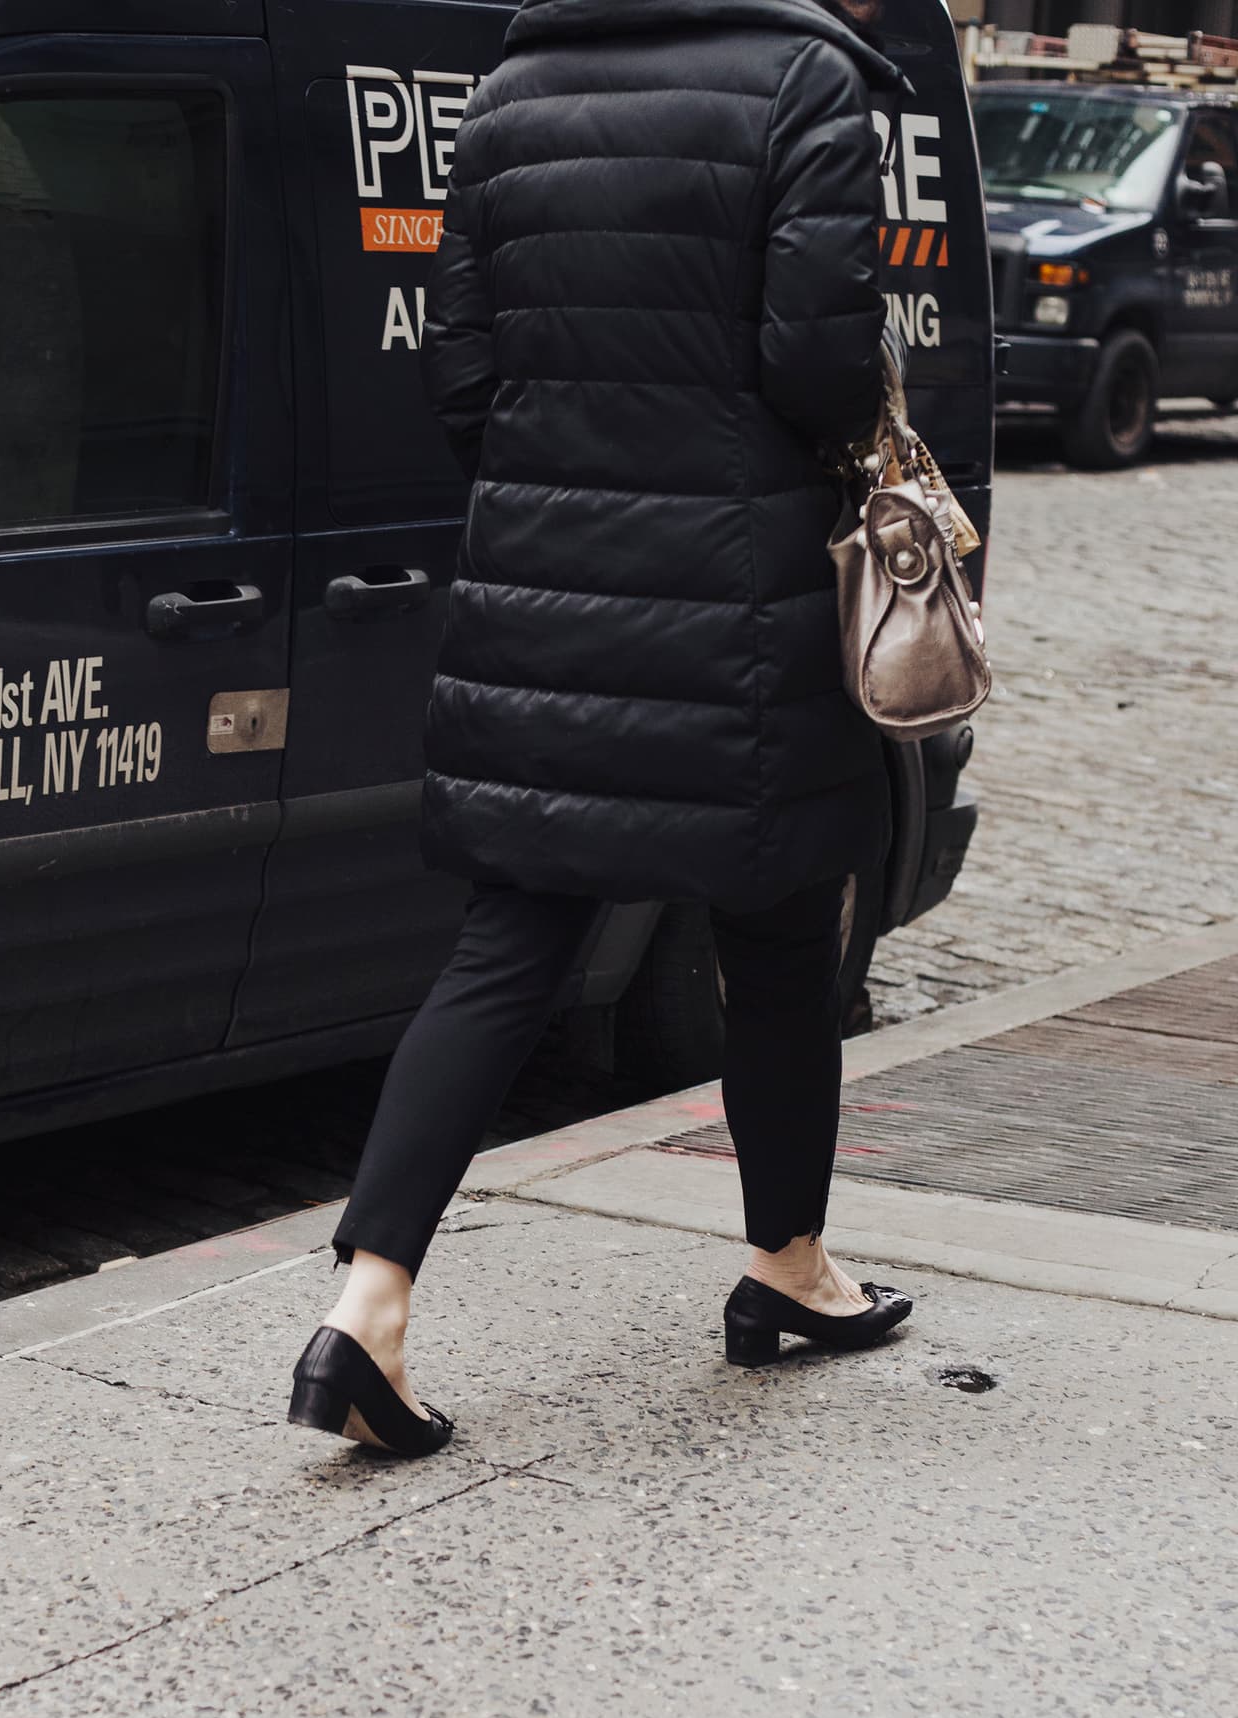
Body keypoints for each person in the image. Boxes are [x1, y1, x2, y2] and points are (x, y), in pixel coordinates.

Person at [289, 0, 914, 1459]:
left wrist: (568, 470)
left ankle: (366, 1307)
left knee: (511, 943)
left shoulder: (513, 87)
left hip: (547, 586)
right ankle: (788, 1267)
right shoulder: (801, 77)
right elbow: (821, 365)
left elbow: (458, 374)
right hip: (742, 599)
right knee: (773, 935)